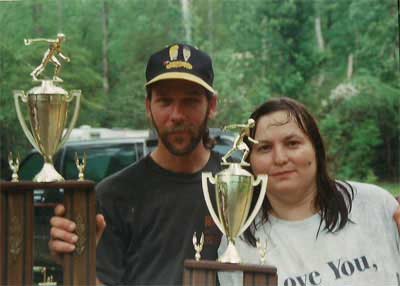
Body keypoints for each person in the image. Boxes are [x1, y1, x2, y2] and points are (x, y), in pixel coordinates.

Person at [48, 43, 222, 285]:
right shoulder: (113, 195)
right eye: (165, 101)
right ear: (148, 106)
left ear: (211, 105)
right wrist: (78, 263)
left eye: (190, 101)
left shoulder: (239, 185)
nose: (177, 115)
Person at [218, 97, 400, 286]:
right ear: (249, 162)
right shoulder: (238, 243)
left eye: (292, 143)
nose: (280, 158)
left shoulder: (375, 205)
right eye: (264, 148)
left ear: (316, 149)